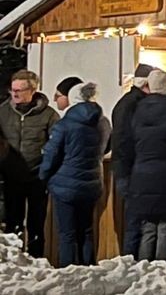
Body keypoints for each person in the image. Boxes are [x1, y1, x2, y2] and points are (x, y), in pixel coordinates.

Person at [124, 70, 166, 261]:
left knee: (148, 227)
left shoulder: (138, 110)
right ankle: (161, 269)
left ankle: (144, 269)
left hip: (141, 175)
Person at [39, 81, 104, 266]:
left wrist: (43, 176)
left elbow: (51, 154)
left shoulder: (64, 125)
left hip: (65, 186)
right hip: (91, 184)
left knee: (67, 234)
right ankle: (88, 269)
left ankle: (67, 272)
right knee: (86, 231)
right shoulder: (99, 122)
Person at [0, 70, 60, 257]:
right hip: (11, 175)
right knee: (12, 222)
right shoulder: (3, 112)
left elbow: (56, 143)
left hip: (37, 176)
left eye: (20, 90)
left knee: (36, 222)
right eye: (13, 90)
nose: (15, 94)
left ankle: (36, 258)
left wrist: (46, 168)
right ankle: (13, 260)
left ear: (33, 90)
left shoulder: (49, 115)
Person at [112, 63, 156, 255]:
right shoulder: (136, 105)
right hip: (132, 170)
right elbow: (127, 140)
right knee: (137, 223)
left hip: (127, 168)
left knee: (136, 221)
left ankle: (131, 261)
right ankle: (132, 261)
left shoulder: (127, 102)